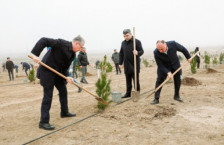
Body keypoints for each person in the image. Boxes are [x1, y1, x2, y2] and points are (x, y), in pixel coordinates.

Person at [30, 35, 85, 130]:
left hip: (58, 73)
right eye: (80, 47)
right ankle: (43, 122)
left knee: (63, 91)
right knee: (48, 96)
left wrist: (68, 76)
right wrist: (35, 55)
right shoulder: (61, 43)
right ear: (76, 43)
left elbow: (65, 67)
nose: (81, 49)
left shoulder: (72, 54)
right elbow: (44, 40)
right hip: (47, 71)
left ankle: (64, 112)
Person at [151, 40, 191, 105]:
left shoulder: (173, 44)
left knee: (178, 80)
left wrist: (188, 57)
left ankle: (176, 96)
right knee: (159, 81)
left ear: (165, 45)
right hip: (164, 67)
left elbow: (183, 49)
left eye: (162, 49)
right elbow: (160, 65)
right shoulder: (156, 52)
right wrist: (168, 72)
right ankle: (156, 99)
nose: (160, 51)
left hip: (175, 65)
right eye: (159, 49)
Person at [119, 29, 144, 98]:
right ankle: (128, 93)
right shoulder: (123, 43)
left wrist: (137, 53)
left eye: (127, 35)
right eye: (124, 36)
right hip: (126, 65)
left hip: (134, 65)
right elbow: (121, 53)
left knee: (135, 80)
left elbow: (142, 51)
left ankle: (137, 93)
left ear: (130, 34)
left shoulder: (137, 42)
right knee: (128, 80)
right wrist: (120, 63)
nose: (125, 37)